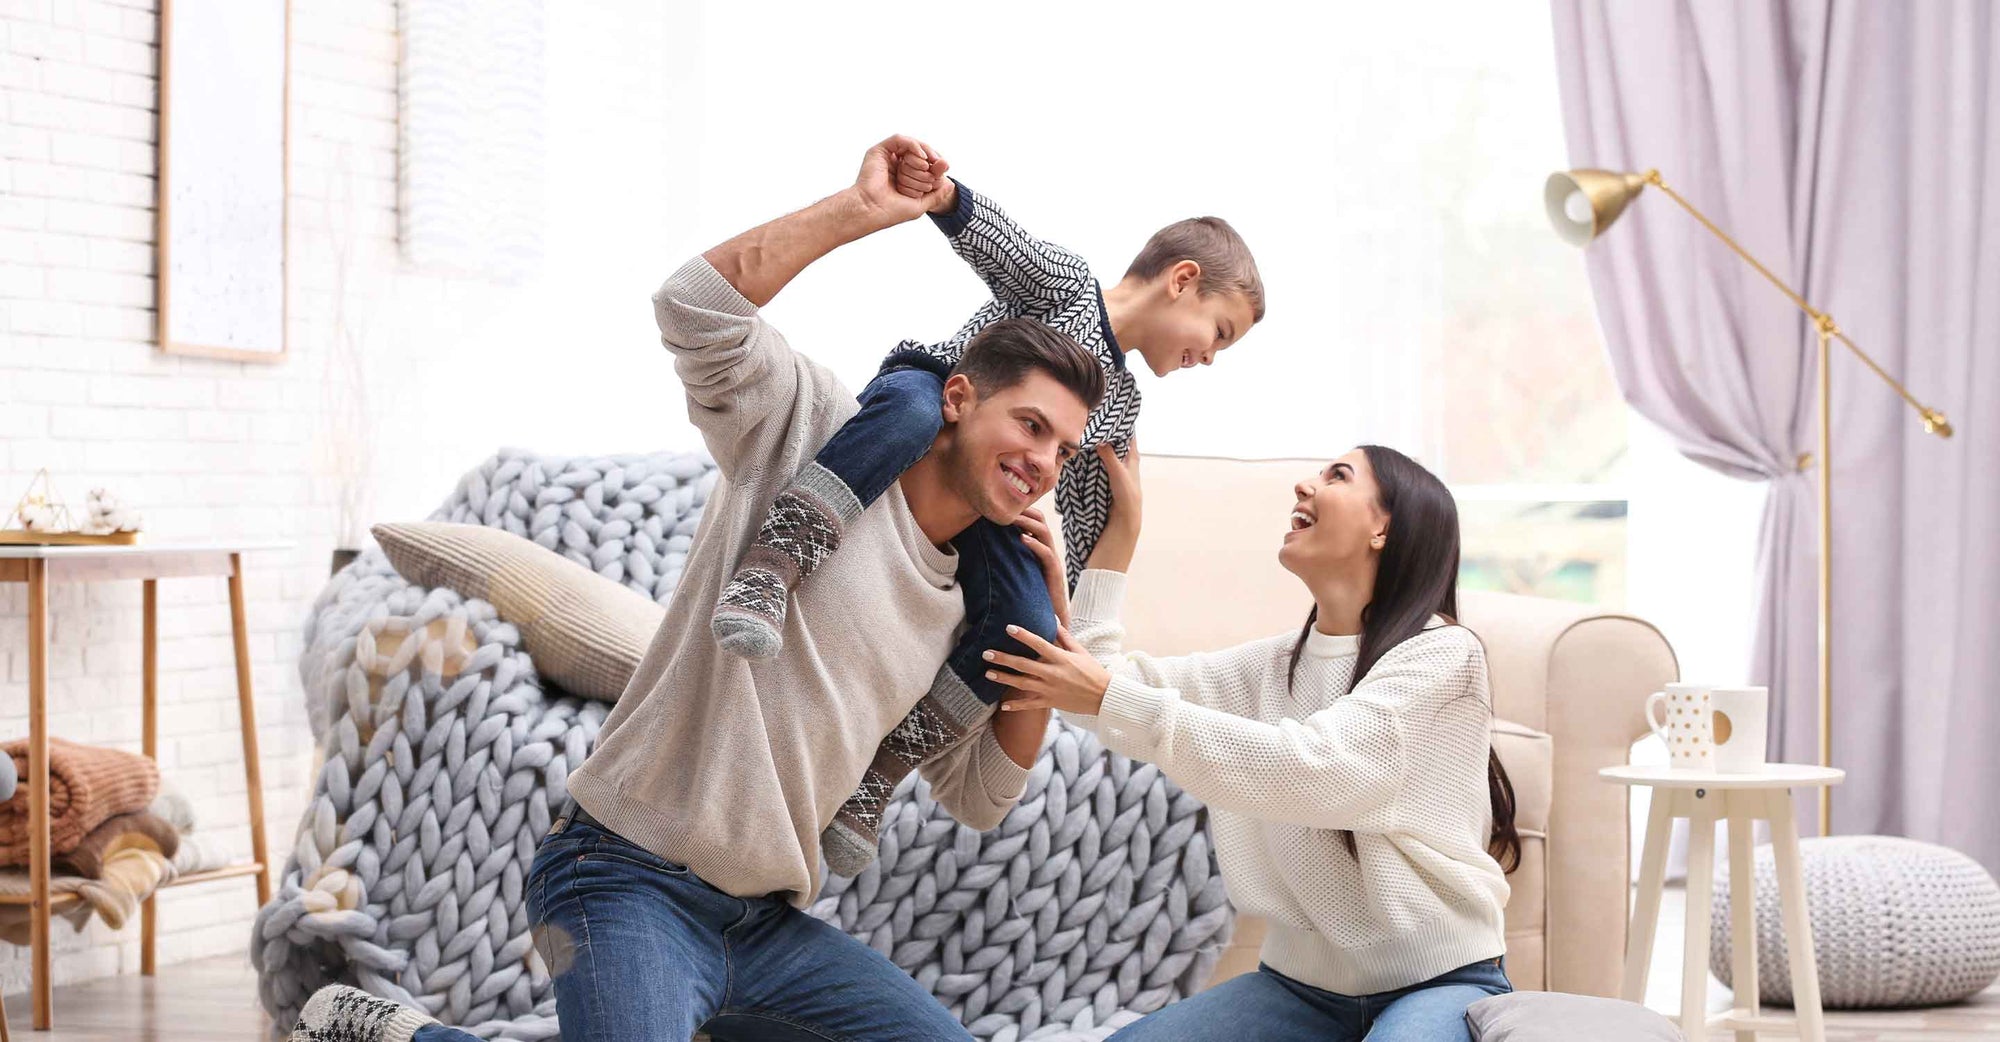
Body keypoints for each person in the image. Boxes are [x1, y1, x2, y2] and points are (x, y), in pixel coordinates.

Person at [290, 135, 1101, 1042]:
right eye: (1029, 424)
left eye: (1062, 450)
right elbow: (692, 306)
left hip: (764, 924)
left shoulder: (979, 597)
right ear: (957, 397)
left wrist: (1053, 619)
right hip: (619, 877)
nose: (1041, 463)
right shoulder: (814, 433)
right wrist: (858, 213)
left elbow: (983, 796)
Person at [705, 141, 1266, 875]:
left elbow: (1086, 526)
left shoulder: (1119, 408)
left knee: (1029, 627)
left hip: (991, 504)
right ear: (1183, 281)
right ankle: (770, 567)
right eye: (1218, 333)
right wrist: (941, 197)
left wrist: (1118, 533)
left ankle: (879, 775)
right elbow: (1007, 248)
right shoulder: (1065, 287)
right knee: (910, 413)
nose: (1211, 359)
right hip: (934, 401)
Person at [989, 442, 1523, 1042]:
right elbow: (1096, 691)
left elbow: (1321, 769)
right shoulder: (1267, 668)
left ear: (1384, 528)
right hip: (1298, 990)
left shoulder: (1445, 655)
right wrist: (1119, 536)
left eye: (1338, 476)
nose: (1305, 485)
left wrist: (1110, 697)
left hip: (1439, 981)